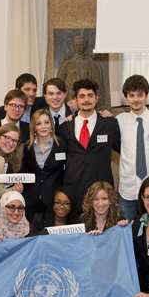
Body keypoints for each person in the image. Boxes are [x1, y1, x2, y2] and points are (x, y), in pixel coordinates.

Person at [60, 79, 121, 208]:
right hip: (74, 188)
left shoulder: (109, 124)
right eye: (82, 96)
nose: (86, 100)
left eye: (90, 95)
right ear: (76, 100)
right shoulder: (66, 126)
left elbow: (124, 151)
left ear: (96, 98)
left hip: (102, 190)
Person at [116, 75, 149, 220]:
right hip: (128, 190)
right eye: (131, 95)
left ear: (146, 96)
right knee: (130, 234)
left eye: (140, 95)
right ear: (126, 98)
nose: (136, 99)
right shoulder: (119, 120)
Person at [22, 109, 67, 221]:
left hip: (53, 200)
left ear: (51, 125)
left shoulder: (62, 145)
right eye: (39, 123)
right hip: (31, 200)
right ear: (34, 127)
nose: (43, 127)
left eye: (46, 122)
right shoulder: (28, 147)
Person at [0, 123, 25, 220]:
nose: (11, 143)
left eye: (15, 141)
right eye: (7, 138)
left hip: (5, 210)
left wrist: (14, 191)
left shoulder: (16, 161)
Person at [57, 36, 105, 107]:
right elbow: (59, 82)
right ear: (74, 46)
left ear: (85, 46)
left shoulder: (91, 63)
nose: (79, 48)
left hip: (87, 99)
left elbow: (98, 84)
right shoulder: (67, 63)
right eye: (77, 45)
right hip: (70, 98)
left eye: (81, 45)